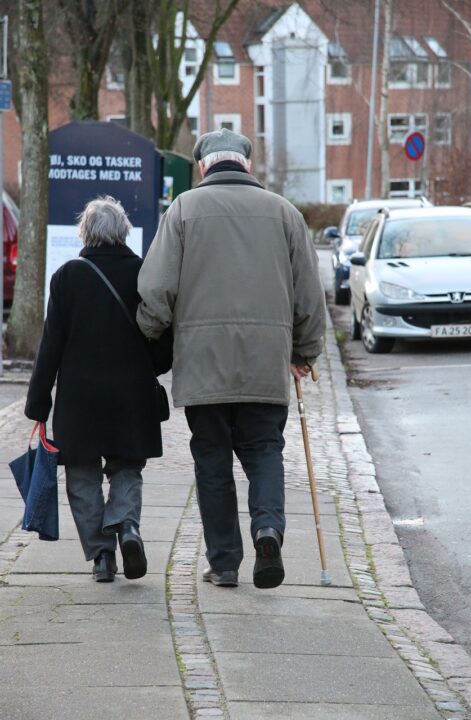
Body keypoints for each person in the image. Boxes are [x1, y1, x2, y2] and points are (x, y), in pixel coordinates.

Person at [137, 129, 326, 590]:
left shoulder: (183, 210)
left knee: (212, 461)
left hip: (203, 364)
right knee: (265, 451)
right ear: (247, 165)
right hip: (266, 360)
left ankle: (224, 562)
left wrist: (147, 334)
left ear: (203, 166)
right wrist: (304, 351)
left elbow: (157, 289)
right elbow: (309, 295)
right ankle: (268, 529)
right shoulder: (285, 213)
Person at [25, 196, 172, 583]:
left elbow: (51, 346)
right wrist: (154, 365)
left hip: (80, 399)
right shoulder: (142, 274)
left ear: (85, 233)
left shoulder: (67, 277)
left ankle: (102, 556)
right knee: (127, 467)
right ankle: (127, 526)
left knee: (82, 475)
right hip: (131, 395)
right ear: (123, 232)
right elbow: (162, 335)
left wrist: (38, 403)